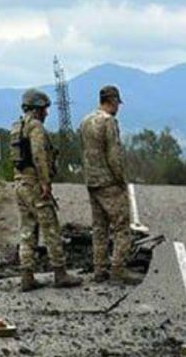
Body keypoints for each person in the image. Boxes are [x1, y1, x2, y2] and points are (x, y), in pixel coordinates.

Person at [11, 89, 79, 290]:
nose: (46, 113)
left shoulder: (17, 127)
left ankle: (27, 275)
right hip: (33, 184)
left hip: (19, 183)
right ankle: (60, 273)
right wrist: (45, 182)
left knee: (27, 230)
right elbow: (39, 155)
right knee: (51, 227)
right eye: (44, 109)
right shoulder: (36, 127)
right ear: (37, 109)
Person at [79, 84, 140, 284]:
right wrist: (121, 179)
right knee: (122, 227)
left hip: (92, 181)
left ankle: (100, 269)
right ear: (112, 101)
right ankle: (118, 270)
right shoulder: (109, 122)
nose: (118, 107)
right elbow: (114, 156)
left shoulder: (85, 121)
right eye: (117, 103)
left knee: (99, 227)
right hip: (108, 182)